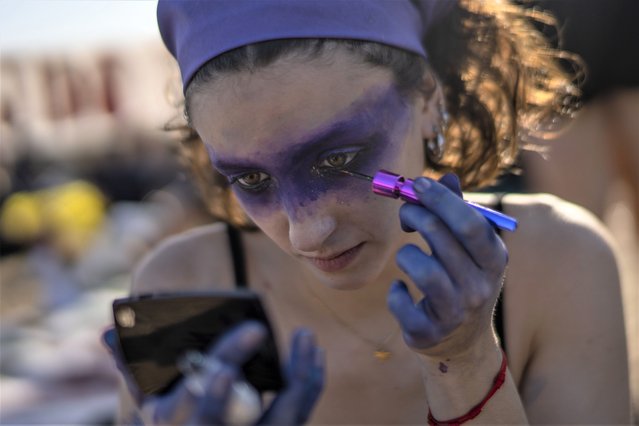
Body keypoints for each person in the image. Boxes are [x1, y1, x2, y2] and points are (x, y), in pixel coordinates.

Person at [109, 0, 631, 424]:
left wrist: (468, 363)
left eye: (338, 159)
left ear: (427, 98)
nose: (306, 231)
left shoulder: (560, 263)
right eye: (252, 179)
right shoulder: (186, 289)